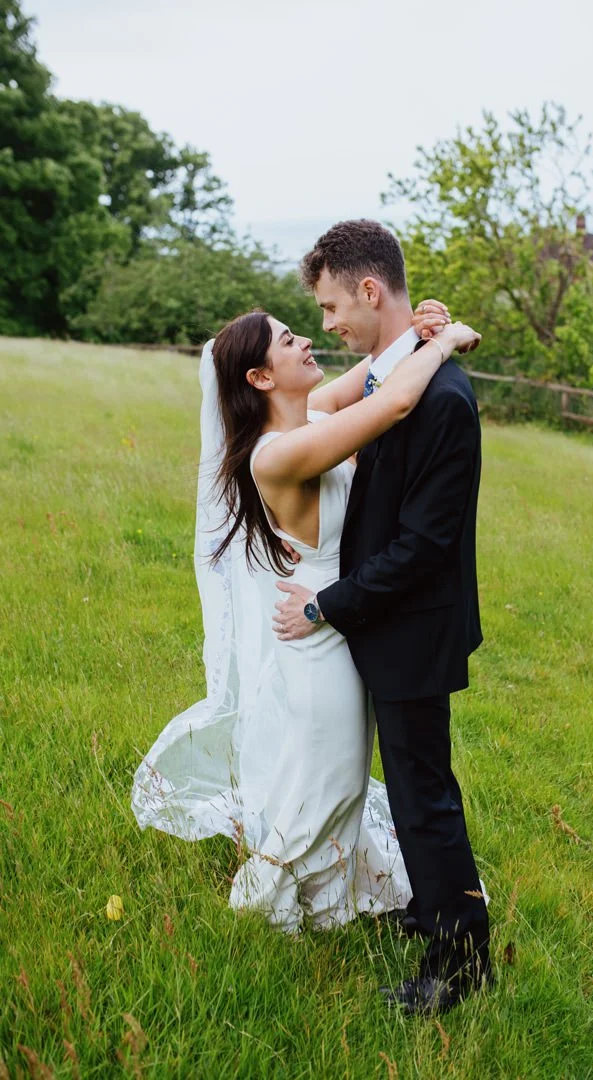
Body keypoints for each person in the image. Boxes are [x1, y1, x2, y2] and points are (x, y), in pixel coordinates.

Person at [131, 282, 482, 947]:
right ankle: (267, 900)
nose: (307, 339)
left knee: (337, 785)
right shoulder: (278, 452)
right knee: (331, 785)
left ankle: (330, 886)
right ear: (261, 376)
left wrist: (417, 334)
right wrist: (451, 342)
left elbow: (366, 378)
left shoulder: (304, 418)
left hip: (341, 628)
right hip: (321, 643)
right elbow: (397, 397)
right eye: (289, 339)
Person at [275, 219, 492, 1015]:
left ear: (371, 291)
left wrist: (326, 605)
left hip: (415, 623)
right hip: (388, 622)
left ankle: (462, 958)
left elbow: (425, 548)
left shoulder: (443, 402)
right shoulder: (392, 375)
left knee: (423, 789)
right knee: (406, 785)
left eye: (333, 306)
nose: (327, 324)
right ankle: (433, 909)